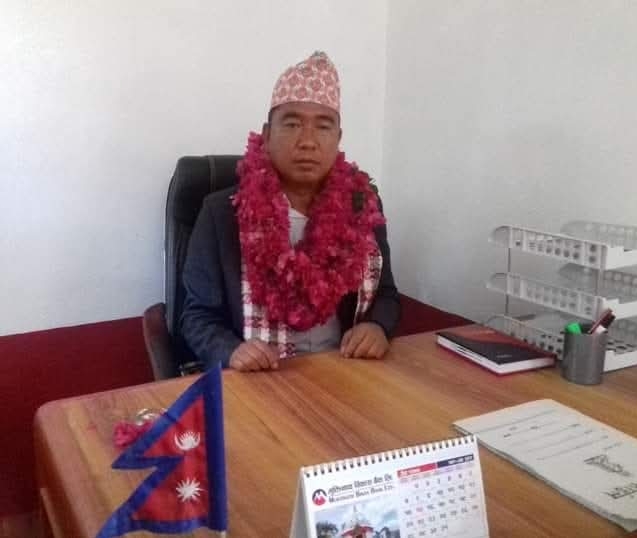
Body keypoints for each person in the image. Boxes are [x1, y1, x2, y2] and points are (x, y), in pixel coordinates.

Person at [180, 51, 400, 372]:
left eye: (323, 126)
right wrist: (231, 351)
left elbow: (387, 295)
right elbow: (196, 316)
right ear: (267, 135)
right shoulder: (220, 214)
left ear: (338, 138)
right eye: (293, 123)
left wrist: (377, 326)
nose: (307, 141)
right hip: (259, 378)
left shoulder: (363, 206)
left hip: (345, 370)